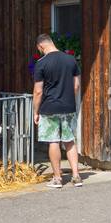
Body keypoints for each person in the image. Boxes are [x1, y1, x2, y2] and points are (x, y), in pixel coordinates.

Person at [32, 33, 82, 188]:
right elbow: (76, 86)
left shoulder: (41, 63)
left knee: (53, 141)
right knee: (69, 141)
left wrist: (35, 111)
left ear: (41, 46)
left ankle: (57, 178)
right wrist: (67, 99)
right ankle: (76, 176)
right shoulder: (70, 59)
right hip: (68, 106)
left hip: (49, 107)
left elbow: (38, 91)